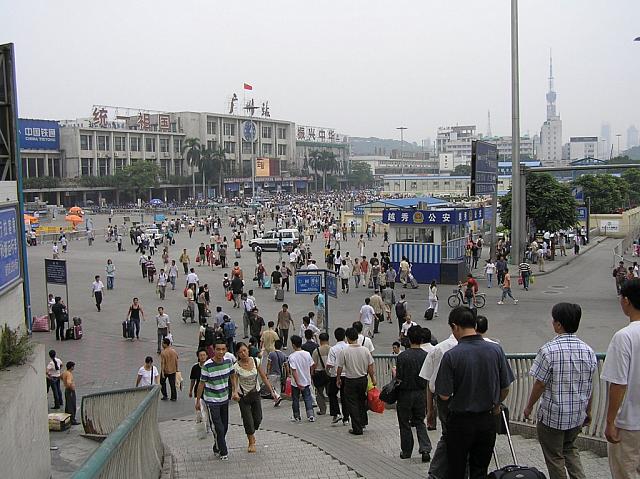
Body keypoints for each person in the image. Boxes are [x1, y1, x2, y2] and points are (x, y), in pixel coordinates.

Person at [435, 306, 515, 479]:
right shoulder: (496, 350)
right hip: (487, 421)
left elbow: (444, 395)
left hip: (460, 422)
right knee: (480, 470)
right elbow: (505, 387)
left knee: (457, 470)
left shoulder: (451, 356)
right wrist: (495, 405)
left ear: (455, 326)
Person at [524, 303, 596, 479]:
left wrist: (529, 407)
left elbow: (540, 384)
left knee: (555, 457)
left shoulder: (548, 350)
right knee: (570, 450)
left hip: (552, 417)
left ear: (558, 324)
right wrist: (588, 410)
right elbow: (589, 385)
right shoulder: (588, 351)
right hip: (576, 415)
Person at [601, 278, 640, 478]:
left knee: (626, 472)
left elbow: (618, 383)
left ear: (626, 301)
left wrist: (610, 421)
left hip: (629, 425)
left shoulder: (624, 337)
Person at [231, 342, 280, 453]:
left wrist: (272, 392)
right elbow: (234, 382)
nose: (243, 353)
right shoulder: (236, 367)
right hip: (243, 396)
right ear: (237, 354)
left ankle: (252, 430)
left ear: (248, 350)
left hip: (255, 393)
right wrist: (234, 393)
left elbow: (263, 376)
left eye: (244, 350)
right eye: (240, 352)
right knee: (248, 420)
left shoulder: (255, 361)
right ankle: (251, 441)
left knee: (258, 418)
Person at [395, 325, 431, 462]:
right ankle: (425, 448)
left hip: (405, 393)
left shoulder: (403, 356)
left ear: (409, 339)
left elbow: (399, 377)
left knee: (404, 423)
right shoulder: (426, 356)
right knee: (420, 421)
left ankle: (406, 450)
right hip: (421, 393)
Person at [196, 340, 234, 461]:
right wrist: (198, 400)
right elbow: (201, 384)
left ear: (226, 349)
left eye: (223, 349)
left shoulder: (228, 362)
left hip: (224, 398)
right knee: (218, 427)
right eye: (218, 349)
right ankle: (224, 451)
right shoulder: (207, 365)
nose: (221, 352)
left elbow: (233, 376)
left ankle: (216, 445)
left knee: (225, 426)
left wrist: (235, 390)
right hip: (211, 400)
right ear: (214, 349)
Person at [336, 327, 376, 435]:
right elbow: (370, 366)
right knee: (361, 401)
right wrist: (373, 379)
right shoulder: (365, 350)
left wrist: (338, 378)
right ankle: (363, 422)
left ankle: (357, 428)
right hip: (363, 379)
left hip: (350, 380)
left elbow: (339, 367)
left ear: (347, 338)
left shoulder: (345, 351)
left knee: (352, 404)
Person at [287, 335, 316, 423]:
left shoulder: (292, 357)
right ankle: (310, 415)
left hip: (296, 383)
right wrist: (310, 374)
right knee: (307, 398)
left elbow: (294, 370)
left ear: (293, 345)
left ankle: (297, 416)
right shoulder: (307, 354)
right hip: (306, 381)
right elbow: (312, 365)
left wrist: (297, 382)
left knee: (295, 399)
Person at [311, 332, 330, 416]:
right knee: (331, 392)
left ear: (320, 340)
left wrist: (312, 373)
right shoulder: (331, 349)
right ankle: (334, 409)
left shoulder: (316, 351)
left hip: (319, 373)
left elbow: (313, 364)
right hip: (329, 373)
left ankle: (322, 410)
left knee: (319, 392)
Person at [61, 361, 79, 425]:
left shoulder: (65, 372)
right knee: (72, 405)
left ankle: (68, 418)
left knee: (68, 406)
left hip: (67, 390)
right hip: (70, 391)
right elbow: (69, 382)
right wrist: (71, 387)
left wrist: (65, 383)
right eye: (73, 366)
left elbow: (60, 377)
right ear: (71, 367)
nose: (74, 367)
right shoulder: (69, 374)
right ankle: (72, 420)